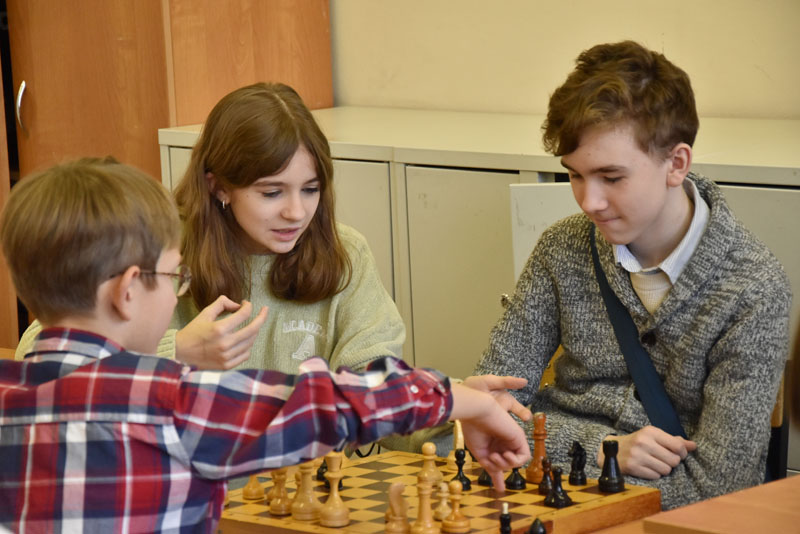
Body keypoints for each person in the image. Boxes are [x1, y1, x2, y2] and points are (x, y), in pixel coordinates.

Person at [0, 159, 530, 532]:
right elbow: (332, 404)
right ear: (128, 291)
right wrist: (465, 398)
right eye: (175, 277)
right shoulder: (175, 402)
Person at [470, 41, 791, 509]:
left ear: (676, 164)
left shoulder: (753, 288)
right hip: (550, 501)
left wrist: (549, 455)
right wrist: (603, 452)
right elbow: (485, 416)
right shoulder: (562, 247)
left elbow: (721, 491)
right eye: (574, 175)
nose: (589, 201)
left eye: (611, 177)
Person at [15, 83, 403, 376]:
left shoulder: (346, 251)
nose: (297, 212)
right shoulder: (158, 246)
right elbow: (40, 351)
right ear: (219, 187)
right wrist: (175, 352)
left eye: (311, 189)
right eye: (271, 193)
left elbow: (378, 375)